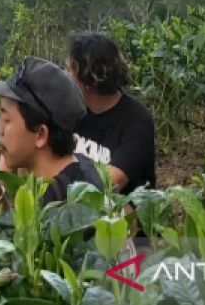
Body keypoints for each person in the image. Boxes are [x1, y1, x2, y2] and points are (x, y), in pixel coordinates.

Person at [0, 56, 104, 219]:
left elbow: (10, 241)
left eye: (6, 120)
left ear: (41, 135)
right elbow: (10, 235)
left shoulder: (58, 211)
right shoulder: (81, 168)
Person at [67, 32, 156, 193]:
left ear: (87, 77)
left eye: (70, 71)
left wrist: (58, 178)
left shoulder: (137, 120)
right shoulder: (70, 110)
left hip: (119, 211)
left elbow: (114, 181)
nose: (66, 78)